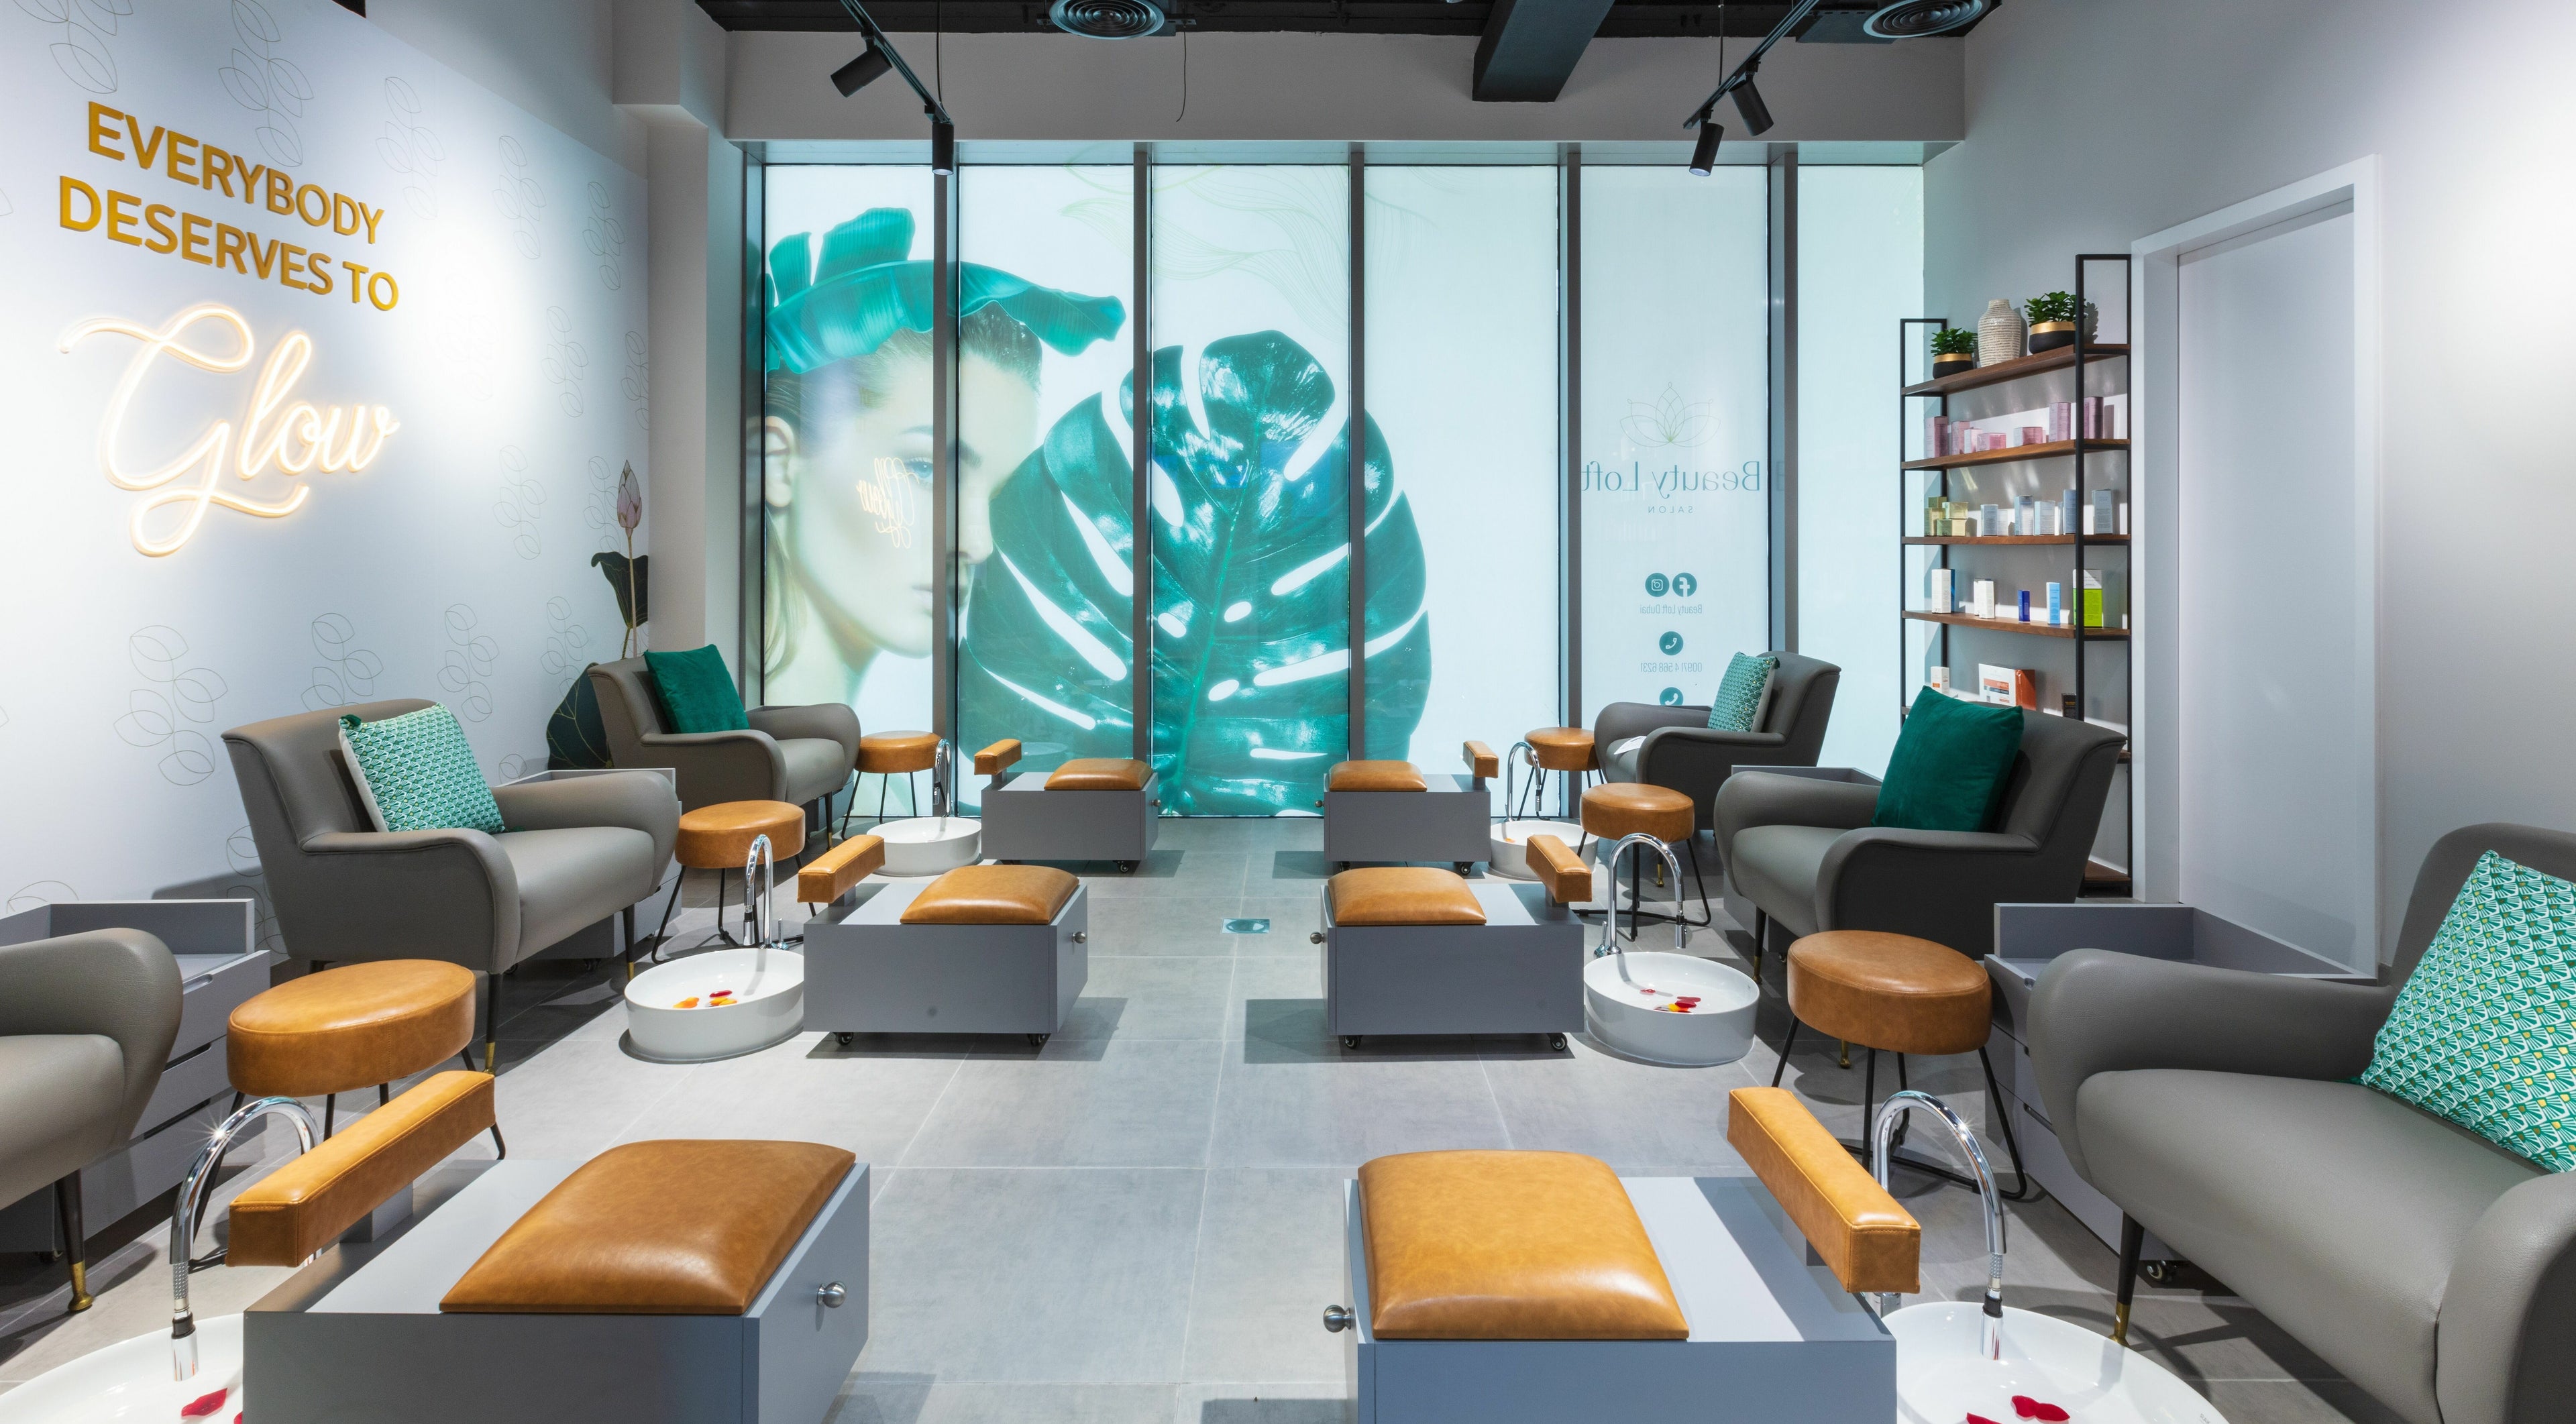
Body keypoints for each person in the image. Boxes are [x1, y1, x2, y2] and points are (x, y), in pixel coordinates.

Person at [759, 208, 1124, 712]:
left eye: (999, 497)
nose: (977, 544)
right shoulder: (758, 763)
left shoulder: (879, 782)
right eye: (925, 469)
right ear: (778, 463)